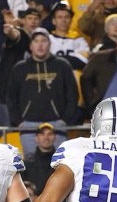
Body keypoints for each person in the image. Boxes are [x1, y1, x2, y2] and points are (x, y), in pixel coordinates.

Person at [7, 27, 79, 160]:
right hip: (28, 125)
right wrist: (18, 121)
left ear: (50, 44)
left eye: (44, 41)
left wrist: (65, 120)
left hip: (57, 124)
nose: (40, 45)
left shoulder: (62, 66)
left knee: (59, 164)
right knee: (30, 164)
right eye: (36, 41)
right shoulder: (19, 68)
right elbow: (11, 97)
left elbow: (72, 94)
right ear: (31, 45)